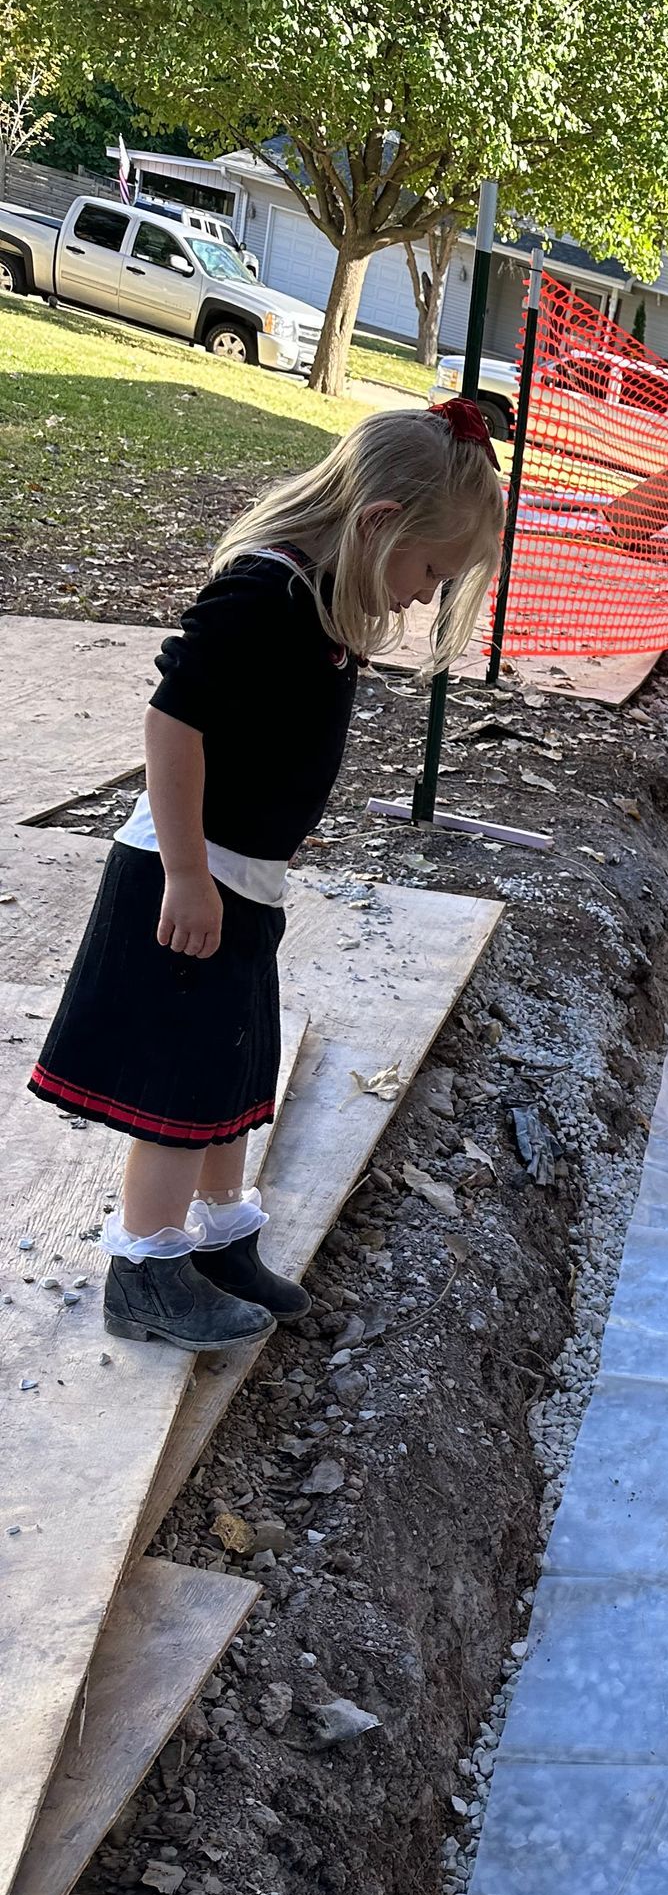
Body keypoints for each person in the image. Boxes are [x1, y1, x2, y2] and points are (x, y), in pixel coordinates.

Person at [27, 399, 505, 1353]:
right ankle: (148, 1270)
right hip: (189, 880)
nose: (419, 597)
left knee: (233, 1065)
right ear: (377, 524)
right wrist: (188, 871)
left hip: (244, 879)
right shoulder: (266, 594)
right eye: (427, 573)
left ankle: (218, 1237)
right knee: (176, 1085)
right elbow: (173, 724)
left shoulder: (321, 599)